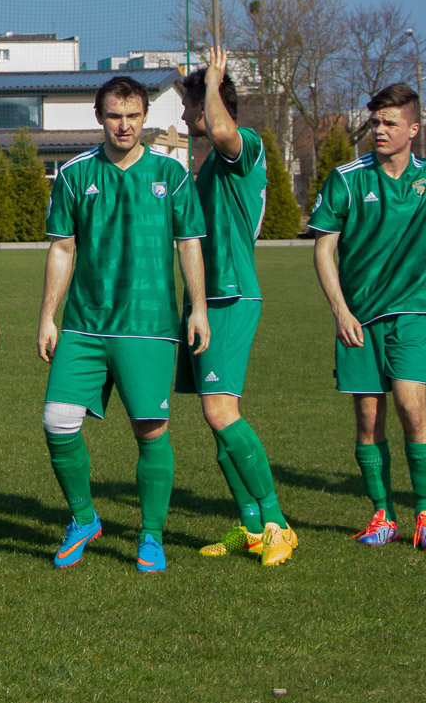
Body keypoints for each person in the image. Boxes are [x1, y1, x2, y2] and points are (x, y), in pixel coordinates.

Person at [308, 48, 426, 551]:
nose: (379, 130)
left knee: (413, 407)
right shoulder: (348, 178)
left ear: (413, 129)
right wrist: (340, 310)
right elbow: (324, 248)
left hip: (412, 309)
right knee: (368, 417)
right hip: (357, 317)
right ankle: (381, 514)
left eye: (390, 122)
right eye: (375, 122)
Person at [38, 75, 210, 572]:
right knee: (57, 422)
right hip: (85, 325)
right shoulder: (74, 175)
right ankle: (84, 518)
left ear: (144, 119)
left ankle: (151, 535)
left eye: (133, 116)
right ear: (100, 118)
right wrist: (48, 317)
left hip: (148, 325)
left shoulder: (171, 175)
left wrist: (197, 308)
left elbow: (189, 243)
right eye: (115, 115)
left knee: (150, 430)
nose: (124, 125)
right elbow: (63, 248)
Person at [173, 48, 296, 566]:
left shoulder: (244, 148)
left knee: (221, 411)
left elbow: (223, 133)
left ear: (210, 107)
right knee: (216, 414)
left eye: (189, 106)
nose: (182, 116)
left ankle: (277, 523)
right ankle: (249, 525)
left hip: (231, 295)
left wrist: (215, 82)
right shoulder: (207, 167)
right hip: (207, 299)